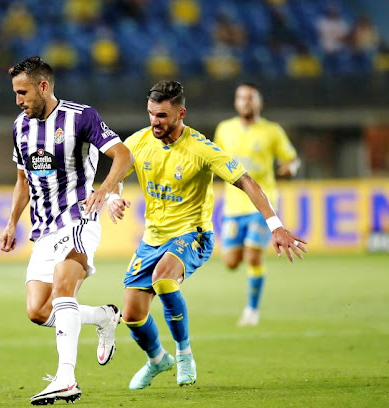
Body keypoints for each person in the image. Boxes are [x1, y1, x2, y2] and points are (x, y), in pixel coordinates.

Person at [107, 80, 306, 390]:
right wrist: (112, 196)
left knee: (164, 279)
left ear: (181, 113)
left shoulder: (201, 148)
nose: (154, 122)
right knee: (132, 313)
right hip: (153, 238)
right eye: (150, 114)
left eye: (161, 115)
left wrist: (276, 225)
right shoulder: (139, 141)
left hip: (193, 234)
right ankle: (158, 360)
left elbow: (247, 181)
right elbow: (119, 167)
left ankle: (184, 354)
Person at [0, 56, 134, 405]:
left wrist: (104, 190)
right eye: (15, 93)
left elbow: (123, 156)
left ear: (43, 87)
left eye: (23, 92)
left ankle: (66, 378)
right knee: (38, 311)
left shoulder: (81, 117)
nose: (18, 100)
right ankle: (105, 316)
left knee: (63, 290)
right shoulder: (19, 127)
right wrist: (12, 222)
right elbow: (22, 181)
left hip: (78, 218)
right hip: (43, 229)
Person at [214, 83, 301, 326]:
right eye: (241, 98)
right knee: (231, 262)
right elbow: (214, 157)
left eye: (250, 98)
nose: (245, 102)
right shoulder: (225, 129)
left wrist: (290, 167)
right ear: (235, 102)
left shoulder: (272, 131)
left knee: (253, 256)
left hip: (262, 204)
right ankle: (248, 262)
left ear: (258, 103)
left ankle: (252, 310)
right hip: (233, 206)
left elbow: (292, 159)